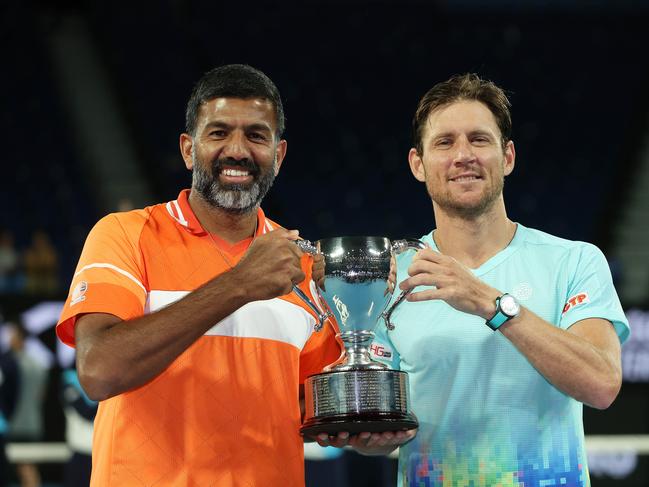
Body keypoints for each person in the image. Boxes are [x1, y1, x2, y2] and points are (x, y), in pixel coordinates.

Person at [317, 73, 629, 486]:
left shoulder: (574, 261)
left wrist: (489, 302)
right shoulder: (391, 274)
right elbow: (383, 423)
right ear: (418, 164)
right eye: (444, 142)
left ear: (508, 157)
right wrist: (371, 435)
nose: (463, 155)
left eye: (479, 140)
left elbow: (602, 384)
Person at [55, 64, 341, 486]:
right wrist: (239, 284)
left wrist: (367, 428)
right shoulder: (125, 235)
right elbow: (99, 370)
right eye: (219, 132)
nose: (238, 150)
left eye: (257, 135)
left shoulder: (298, 261)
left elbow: (323, 407)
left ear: (278, 155)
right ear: (189, 149)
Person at [6, 322, 49, 487]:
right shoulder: (39, 365)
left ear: (19, 338)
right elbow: (41, 396)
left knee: (24, 468)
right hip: (33, 423)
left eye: (11, 335)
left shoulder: (9, 365)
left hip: (13, 424)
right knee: (28, 468)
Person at [60, 367, 97, 487]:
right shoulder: (69, 381)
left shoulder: (105, 379)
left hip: (99, 450)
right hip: (80, 450)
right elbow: (85, 412)